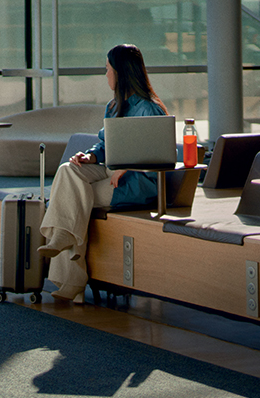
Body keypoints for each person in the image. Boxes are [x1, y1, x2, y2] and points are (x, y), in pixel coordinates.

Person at [37, 43, 168, 301]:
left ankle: (71, 276)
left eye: (107, 69)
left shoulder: (149, 108)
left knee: (71, 200)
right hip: (113, 175)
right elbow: (107, 145)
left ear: (120, 72)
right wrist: (91, 156)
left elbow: (158, 153)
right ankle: (64, 238)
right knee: (69, 171)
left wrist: (127, 166)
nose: (105, 74)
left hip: (138, 181)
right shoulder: (114, 106)